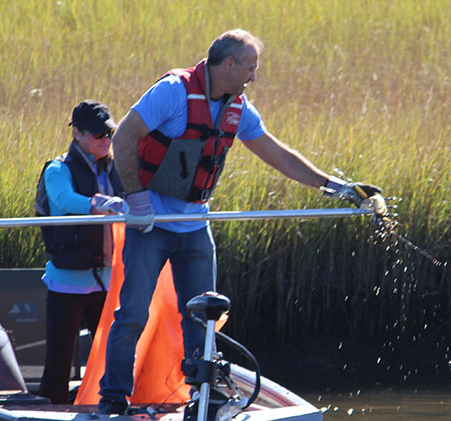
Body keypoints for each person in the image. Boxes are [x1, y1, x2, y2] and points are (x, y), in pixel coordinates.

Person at [97, 29, 382, 414]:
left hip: (196, 228)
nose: (254, 76)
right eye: (250, 67)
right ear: (228, 64)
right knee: (132, 313)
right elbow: (125, 138)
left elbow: (277, 153)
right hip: (151, 225)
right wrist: (136, 197)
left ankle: (202, 400)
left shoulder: (239, 107)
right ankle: (113, 401)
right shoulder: (172, 91)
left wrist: (334, 187)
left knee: (203, 316)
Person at [33, 99, 128, 404]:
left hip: (108, 281)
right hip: (66, 283)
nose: (106, 140)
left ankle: (107, 404)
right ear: (77, 134)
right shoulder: (57, 168)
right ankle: (53, 409)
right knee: (59, 364)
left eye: (109, 134)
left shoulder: (116, 166)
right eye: (99, 134)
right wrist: (100, 204)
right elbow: (62, 200)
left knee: (109, 357)